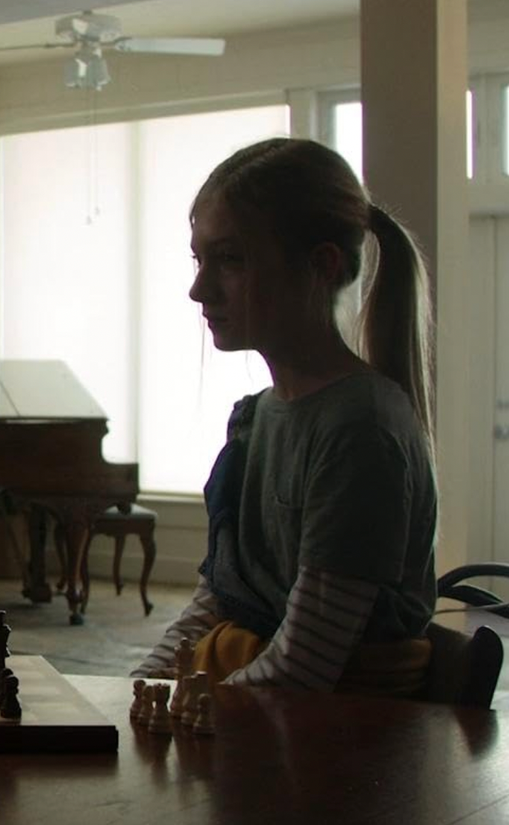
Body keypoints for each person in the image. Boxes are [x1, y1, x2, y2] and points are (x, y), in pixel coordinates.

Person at [131, 137, 438, 697]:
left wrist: (185, 708)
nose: (199, 289)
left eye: (231, 259)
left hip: (334, 737)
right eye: (199, 259)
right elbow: (221, 597)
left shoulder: (359, 427)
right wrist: (137, 689)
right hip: (261, 717)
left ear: (321, 265)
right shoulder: (255, 420)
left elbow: (303, 667)